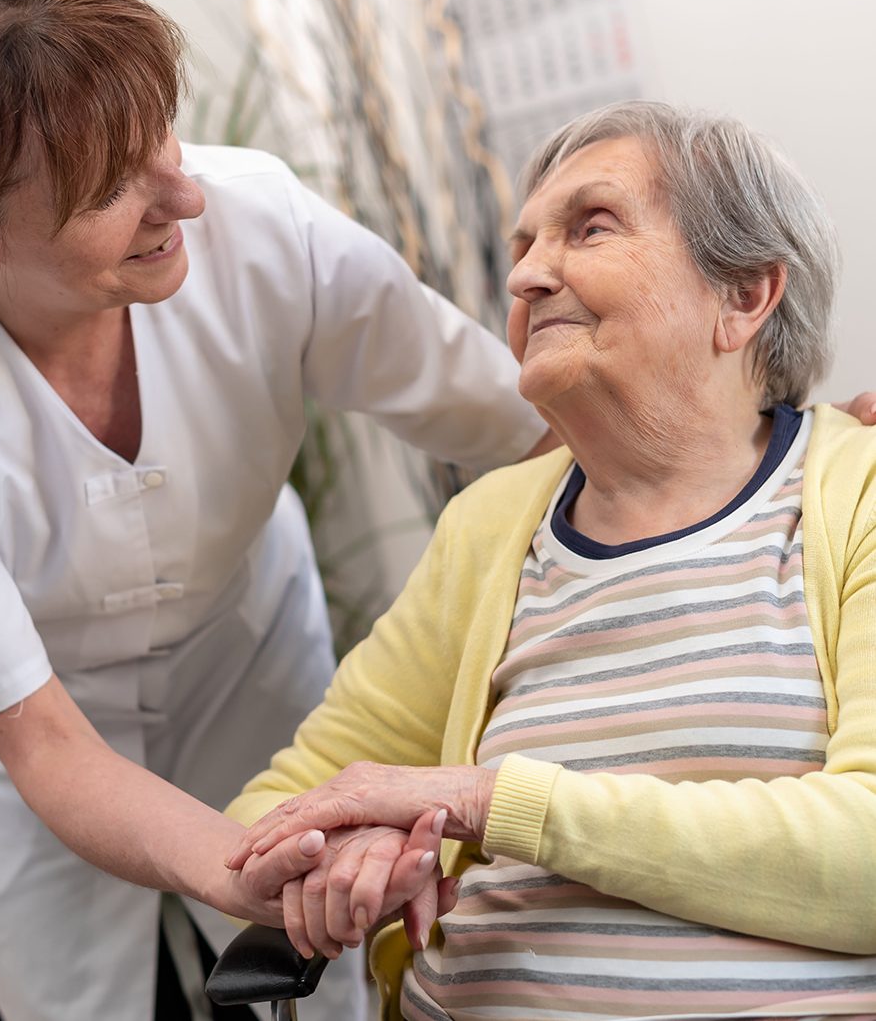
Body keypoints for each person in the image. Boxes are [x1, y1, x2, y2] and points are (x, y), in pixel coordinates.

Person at [0, 0, 552, 1019]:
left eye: (162, 132)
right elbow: (48, 748)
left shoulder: (264, 225)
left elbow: (523, 425)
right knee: (72, 1004)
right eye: (112, 185)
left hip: (241, 649)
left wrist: (772, 457)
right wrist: (235, 868)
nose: (185, 195)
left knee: (326, 989)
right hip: (9, 726)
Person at [226, 101, 876, 1021]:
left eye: (591, 227)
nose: (526, 275)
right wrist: (346, 851)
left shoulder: (857, 495)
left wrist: (490, 801)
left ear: (742, 297)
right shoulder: (490, 527)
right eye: (524, 245)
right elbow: (281, 810)